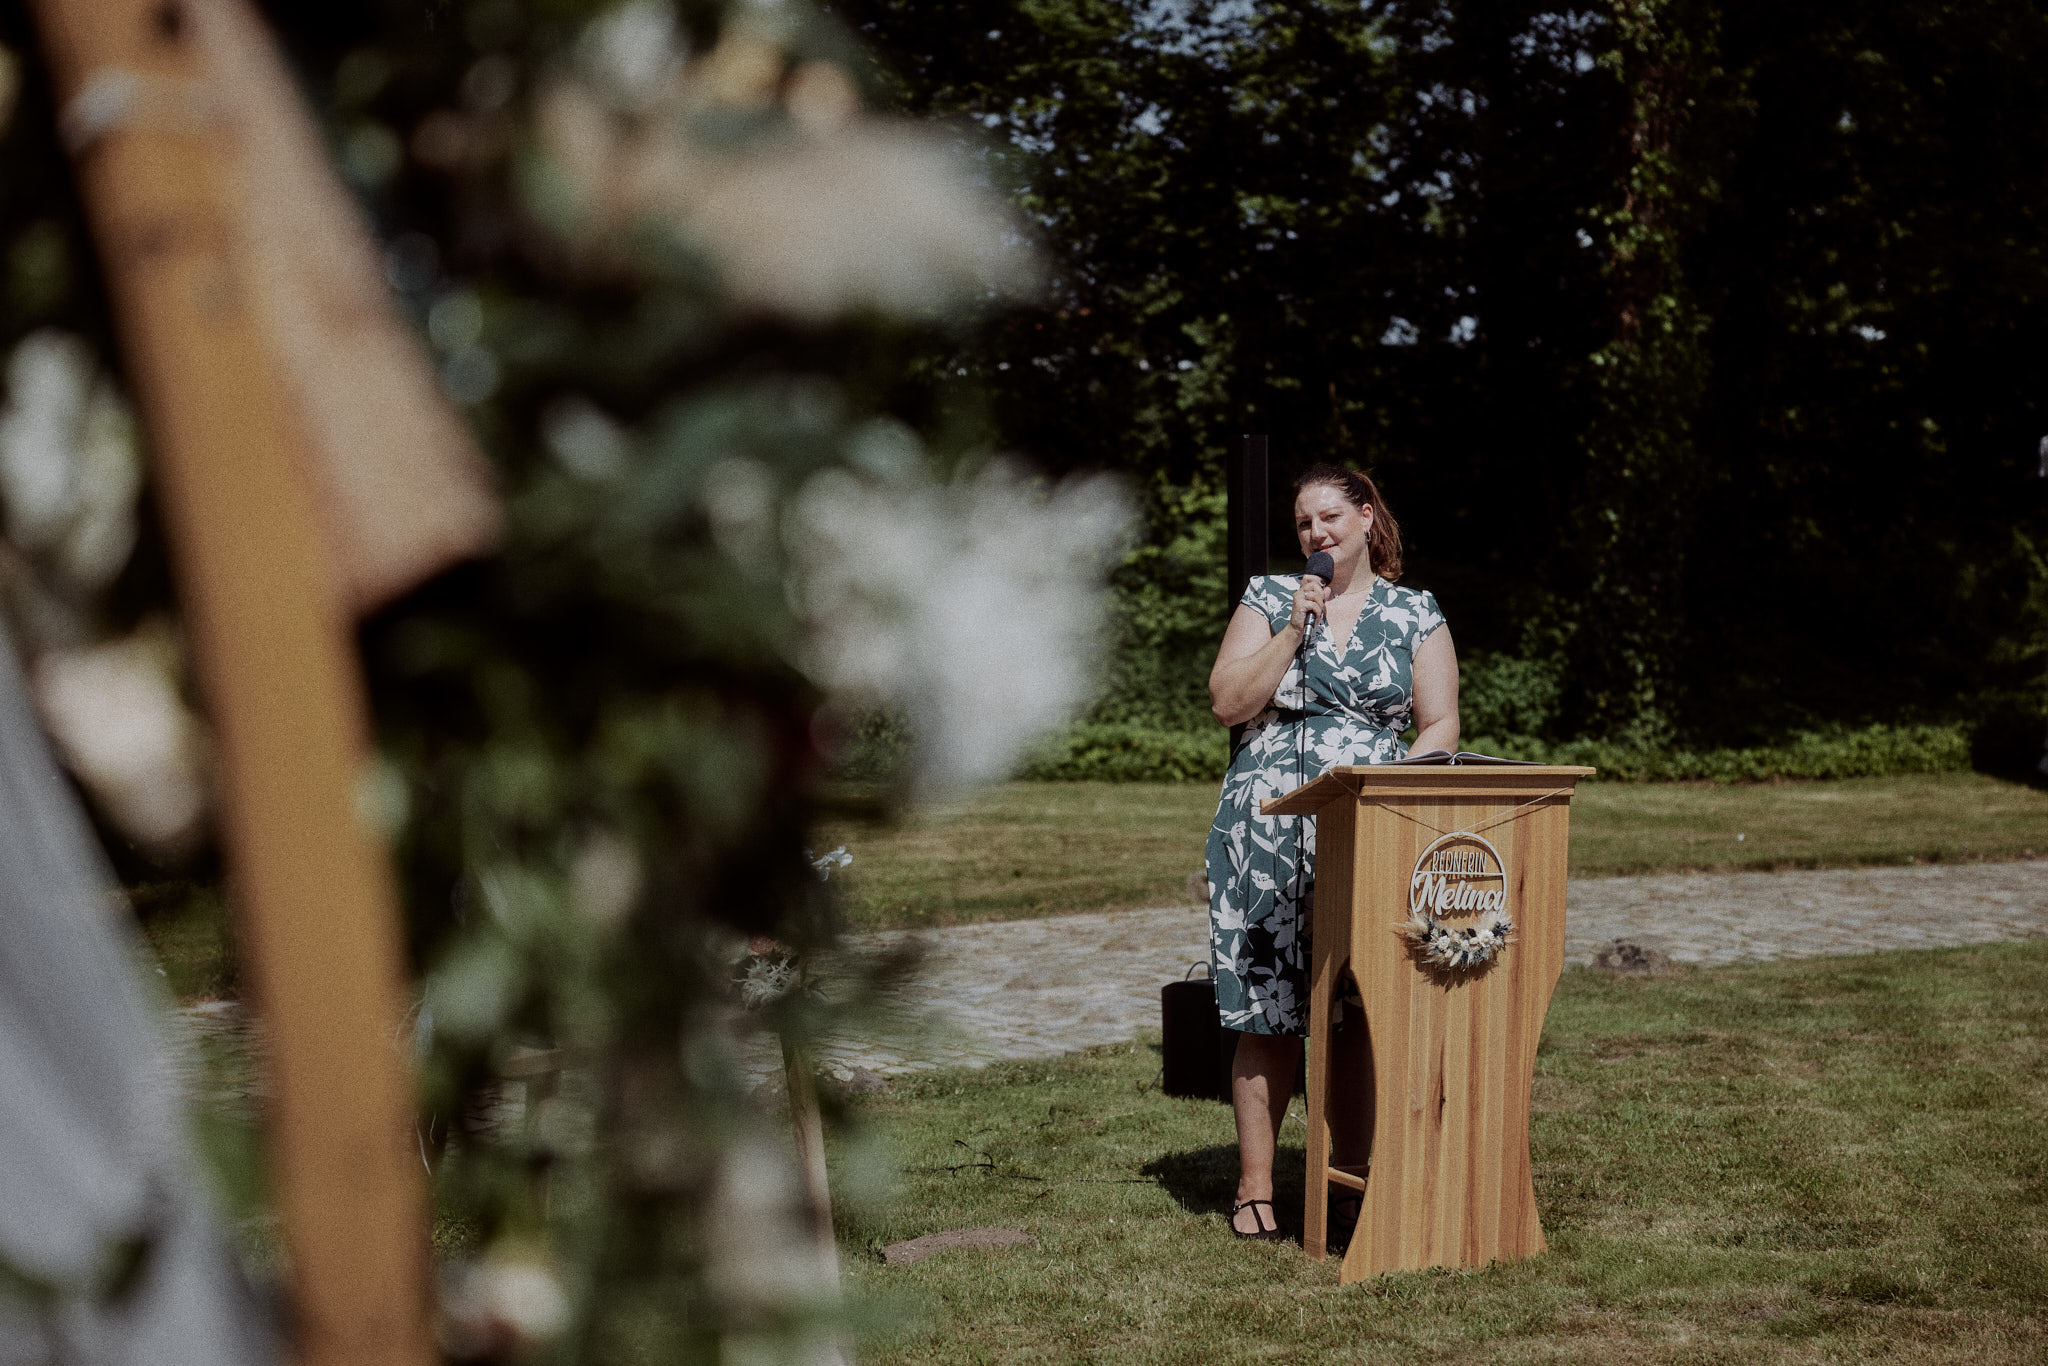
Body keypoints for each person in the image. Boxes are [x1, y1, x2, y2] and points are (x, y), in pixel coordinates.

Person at [1203, 464, 1460, 1240]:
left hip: (1368, 823)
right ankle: (1256, 1191)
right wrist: (1292, 628)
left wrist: (1393, 794)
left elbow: (1440, 724)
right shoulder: (1266, 597)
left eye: (1329, 518)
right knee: (1268, 1009)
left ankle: (1351, 1182)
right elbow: (1228, 703)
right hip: (1265, 828)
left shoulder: (1416, 611)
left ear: (1366, 516)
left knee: (1356, 1008)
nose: (1316, 533)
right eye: (1304, 524)